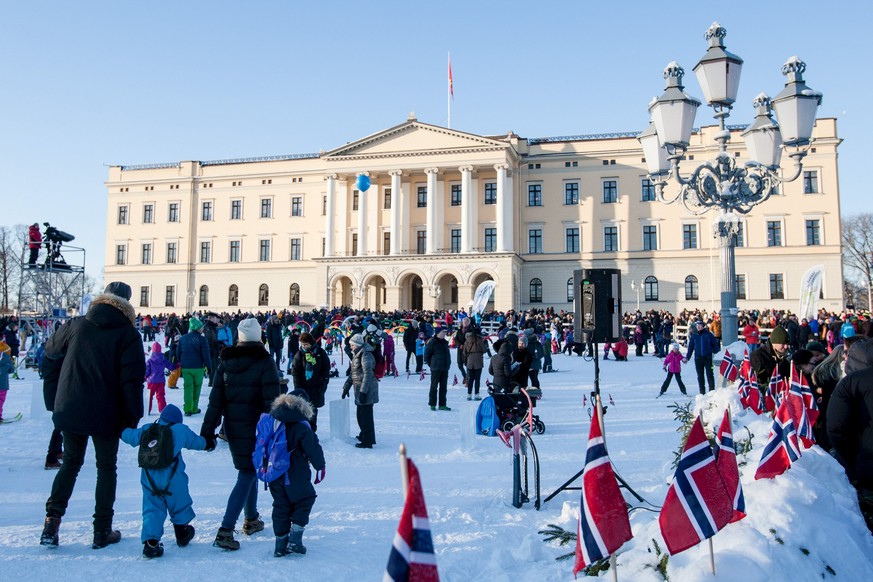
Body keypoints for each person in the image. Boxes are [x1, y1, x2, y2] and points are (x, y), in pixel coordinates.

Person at [40, 281, 146, 549]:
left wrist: (55, 397)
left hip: (71, 406)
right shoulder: (128, 334)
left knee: (71, 464)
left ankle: (51, 522)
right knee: (106, 468)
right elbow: (132, 381)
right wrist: (132, 418)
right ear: (127, 304)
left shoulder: (76, 326)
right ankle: (102, 530)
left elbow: (50, 353)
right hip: (106, 414)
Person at [200, 317, 282, 551]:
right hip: (258, 428)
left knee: (249, 469)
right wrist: (274, 431)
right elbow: (273, 403)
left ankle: (252, 519)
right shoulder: (265, 361)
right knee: (247, 472)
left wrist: (208, 431)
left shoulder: (226, 360)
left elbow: (215, 401)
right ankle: (225, 530)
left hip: (234, 428)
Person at [120, 404, 206, 559]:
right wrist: (209, 443)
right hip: (173, 479)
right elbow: (198, 442)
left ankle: (151, 544)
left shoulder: (148, 429)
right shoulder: (180, 430)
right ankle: (182, 532)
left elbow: (130, 436)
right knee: (179, 503)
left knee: (152, 508)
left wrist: (120, 429)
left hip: (149, 479)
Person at [265, 393, 326, 557]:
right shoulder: (301, 426)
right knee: (305, 499)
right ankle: (295, 540)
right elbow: (313, 449)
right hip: (296, 473)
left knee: (280, 505)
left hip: (274, 472)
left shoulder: (273, 420)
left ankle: (280, 544)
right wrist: (320, 466)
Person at [341, 334, 379, 448]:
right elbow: (354, 374)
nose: (351, 347)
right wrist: (346, 387)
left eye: (352, 345)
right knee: (360, 415)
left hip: (367, 389)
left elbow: (368, 375)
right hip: (359, 389)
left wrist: (363, 392)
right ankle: (364, 434)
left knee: (365, 416)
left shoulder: (365, 355)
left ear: (357, 345)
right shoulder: (358, 354)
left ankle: (368, 441)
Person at [290, 332, 330, 432]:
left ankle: (312, 430)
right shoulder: (299, 354)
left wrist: (324, 382)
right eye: (303, 344)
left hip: (317, 386)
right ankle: (305, 430)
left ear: (311, 343)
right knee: (303, 409)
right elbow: (295, 372)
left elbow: (326, 368)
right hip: (304, 387)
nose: (305, 346)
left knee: (314, 409)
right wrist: (298, 388)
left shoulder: (320, 352)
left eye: (306, 344)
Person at [175, 317, 212, 416]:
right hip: (198, 367)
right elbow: (206, 354)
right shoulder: (202, 339)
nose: (203, 329)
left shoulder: (183, 338)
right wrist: (209, 367)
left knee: (188, 387)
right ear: (198, 328)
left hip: (186, 367)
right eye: (201, 327)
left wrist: (180, 362)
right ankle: (194, 408)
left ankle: (187, 409)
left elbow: (178, 353)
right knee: (197, 387)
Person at [684, 320, 720, 395]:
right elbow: (690, 347)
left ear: (703, 326)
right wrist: (687, 357)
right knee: (700, 376)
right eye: (697, 325)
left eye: (700, 325)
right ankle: (702, 392)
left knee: (710, 374)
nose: (699, 327)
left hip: (708, 358)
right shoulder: (694, 335)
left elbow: (715, 345)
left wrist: (717, 353)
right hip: (698, 358)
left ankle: (711, 391)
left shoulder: (708, 334)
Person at [424, 327, 452, 411]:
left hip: (444, 368)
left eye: (444, 332)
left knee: (443, 387)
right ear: (437, 333)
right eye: (442, 332)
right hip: (436, 368)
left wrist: (448, 364)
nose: (444, 333)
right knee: (434, 386)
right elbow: (427, 356)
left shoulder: (445, 343)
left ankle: (442, 404)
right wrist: (432, 364)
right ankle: (432, 404)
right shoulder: (432, 342)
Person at [145, 342, 173, 415]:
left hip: (151, 381)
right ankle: (162, 410)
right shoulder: (163, 360)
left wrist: (145, 377)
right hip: (161, 381)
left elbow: (147, 372)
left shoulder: (150, 361)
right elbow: (170, 366)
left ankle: (148, 410)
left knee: (149, 397)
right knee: (161, 396)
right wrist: (177, 365)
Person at [463, 329, 488, 401]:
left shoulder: (467, 340)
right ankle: (477, 395)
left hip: (470, 361)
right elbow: (484, 350)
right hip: (478, 361)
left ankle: (469, 394)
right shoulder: (479, 340)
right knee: (477, 379)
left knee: (470, 379)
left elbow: (464, 352)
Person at [0, 341, 13, 421]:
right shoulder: (6, 356)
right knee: (1, 399)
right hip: (3, 383)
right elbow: (11, 369)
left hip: (3, 383)